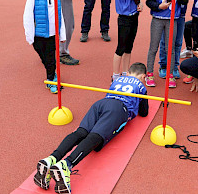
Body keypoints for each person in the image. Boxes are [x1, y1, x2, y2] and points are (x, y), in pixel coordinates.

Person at [33, 62, 148, 194]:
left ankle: (51, 159)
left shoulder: (118, 79)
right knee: (96, 137)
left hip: (101, 103)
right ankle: (66, 164)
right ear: (143, 77)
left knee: (81, 132)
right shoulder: (141, 86)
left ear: (127, 73)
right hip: (119, 108)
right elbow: (144, 113)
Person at [147, 0, 194, 79]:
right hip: (163, 15)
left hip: (179, 15)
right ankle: (163, 65)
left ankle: (174, 67)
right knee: (163, 43)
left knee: (177, 42)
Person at [23, 0, 66, 94]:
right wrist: (30, 36)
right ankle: (52, 73)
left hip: (53, 35)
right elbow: (28, 16)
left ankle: (51, 80)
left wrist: (62, 34)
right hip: (39, 35)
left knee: (50, 58)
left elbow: (60, 15)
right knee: (45, 58)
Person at [112, 0, 143, 81]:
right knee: (121, 47)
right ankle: (115, 75)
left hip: (134, 16)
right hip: (124, 18)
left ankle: (125, 73)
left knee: (129, 47)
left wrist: (139, 3)